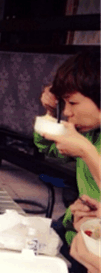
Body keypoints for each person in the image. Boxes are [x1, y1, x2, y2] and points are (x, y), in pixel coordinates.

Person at [35, 50, 100, 245]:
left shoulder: (86, 141)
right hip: (74, 231)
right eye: (63, 103)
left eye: (72, 102)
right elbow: (51, 150)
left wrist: (87, 152)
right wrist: (50, 113)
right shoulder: (89, 132)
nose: (66, 112)